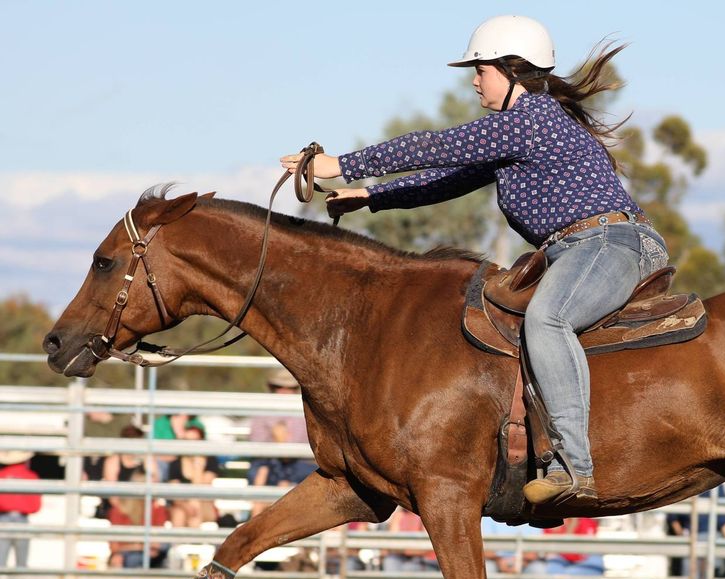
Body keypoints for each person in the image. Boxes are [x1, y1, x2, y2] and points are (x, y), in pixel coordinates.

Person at [280, 15, 670, 506]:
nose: (473, 79)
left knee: (548, 320)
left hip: (610, 243)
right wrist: (369, 197)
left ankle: (575, 466)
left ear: (511, 70)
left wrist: (340, 164)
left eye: (481, 69)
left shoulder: (530, 119)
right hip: (588, 246)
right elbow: (447, 179)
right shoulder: (523, 129)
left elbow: (435, 146)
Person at [248, 369, 315, 516]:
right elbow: (256, 441)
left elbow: (305, 442)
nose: (284, 391)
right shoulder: (262, 411)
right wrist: (278, 441)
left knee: (280, 475)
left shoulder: (304, 411)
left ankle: (266, 516)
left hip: (299, 462)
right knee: (263, 470)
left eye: (289, 388)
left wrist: (281, 441)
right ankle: (258, 519)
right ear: (272, 388)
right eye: (279, 387)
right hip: (268, 461)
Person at [0, 450, 41, 579]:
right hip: (22, 520)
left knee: (1, 561)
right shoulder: (31, 477)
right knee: (22, 562)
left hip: (3, 520)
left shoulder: (2, 476)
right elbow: (35, 506)